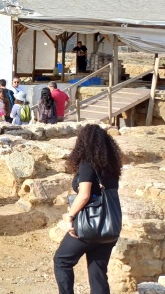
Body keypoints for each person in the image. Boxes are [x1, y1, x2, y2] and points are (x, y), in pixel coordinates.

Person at [54, 124, 123, 294]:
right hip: (109, 226)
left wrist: (70, 216)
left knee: (62, 260)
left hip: (89, 226)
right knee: (98, 271)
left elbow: (84, 195)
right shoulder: (111, 167)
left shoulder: (87, 164)